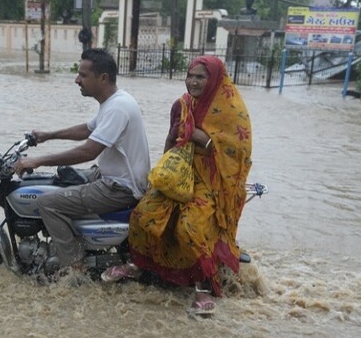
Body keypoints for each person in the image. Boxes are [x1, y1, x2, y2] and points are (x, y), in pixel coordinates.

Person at [102, 55, 253, 316]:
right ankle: (139, 265)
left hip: (211, 181)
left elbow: (237, 152)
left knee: (189, 226)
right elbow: (171, 139)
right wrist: (161, 171)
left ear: (214, 79)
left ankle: (202, 288)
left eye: (200, 77)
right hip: (180, 172)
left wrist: (202, 139)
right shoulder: (181, 105)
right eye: (190, 76)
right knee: (144, 214)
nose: (192, 82)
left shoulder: (231, 110)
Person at [13, 48, 151, 274]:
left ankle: (76, 266)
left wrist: (37, 161)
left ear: (103, 78)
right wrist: (48, 135)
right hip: (111, 176)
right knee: (55, 180)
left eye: (83, 75)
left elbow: (89, 151)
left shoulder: (118, 107)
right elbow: (87, 130)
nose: (77, 80)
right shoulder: (114, 101)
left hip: (119, 187)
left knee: (48, 203)